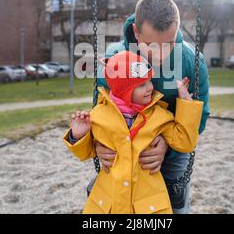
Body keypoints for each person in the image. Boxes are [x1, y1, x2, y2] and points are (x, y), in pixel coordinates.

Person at [95, 0, 210, 213]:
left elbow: (201, 115)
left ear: (176, 31)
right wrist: (99, 144)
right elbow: (99, 110)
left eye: (168, 43)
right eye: (150, 44)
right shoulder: (115, 58)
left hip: (173, 149)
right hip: (123, 147)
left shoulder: (191, 61)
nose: (159, 53)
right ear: (136, 32)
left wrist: (168, 146)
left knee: (175, 208)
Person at [63, 51, 203, 213]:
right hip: (110, 201)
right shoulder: (99, 115)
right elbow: (85, 152)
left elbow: (185, 142)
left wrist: (186, 103)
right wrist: (78, 135)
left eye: (149, 81)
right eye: (142, 84)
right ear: (124, 90)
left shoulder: (158, 116)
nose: (150, 87)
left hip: (148, 203)